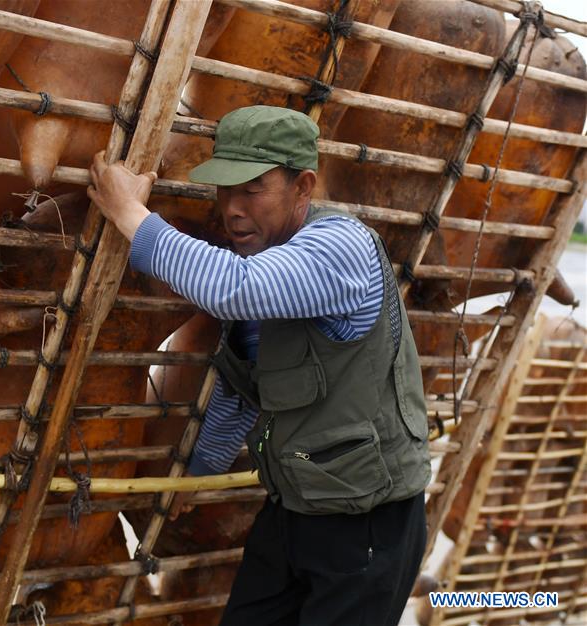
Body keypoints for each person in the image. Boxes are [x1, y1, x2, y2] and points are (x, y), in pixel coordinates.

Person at [87, 105, 431, 625]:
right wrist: (201, 467)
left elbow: (235, 290)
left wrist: (130, 214)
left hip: (367, 523)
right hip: (293, 510)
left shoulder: (341, 247)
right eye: (225, 190)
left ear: (303, 186)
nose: (233, 209)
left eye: (252, 190)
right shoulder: (269, 261)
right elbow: (249, 389)